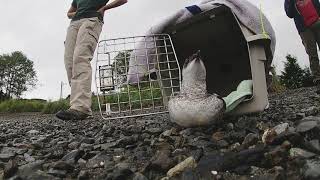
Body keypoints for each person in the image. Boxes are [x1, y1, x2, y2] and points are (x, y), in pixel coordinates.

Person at [56, 0, 128, 120]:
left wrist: (104, 8)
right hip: (74, 23)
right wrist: (78, 12)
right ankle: (77, 103)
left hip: (91, 20)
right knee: (69, 62)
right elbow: (69, 13)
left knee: (80, 58)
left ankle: (80, 107)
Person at [285, 0, 320, 83]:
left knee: (312, 54)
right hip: (304, 28)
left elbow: (317, 4)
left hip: (317, 22)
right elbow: (289, 14)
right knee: (312, 53)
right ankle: (318, 79)